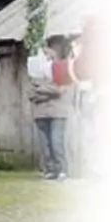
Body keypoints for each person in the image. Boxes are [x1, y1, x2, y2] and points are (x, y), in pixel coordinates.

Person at [28, 37, 73, 180]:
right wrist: (46, 91)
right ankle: (50, 169)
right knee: (45, 143)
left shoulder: (62, 67)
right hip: (40, 112)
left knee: (56, 140)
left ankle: (62, 169)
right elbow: (31, 91)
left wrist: (41, 90)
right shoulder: (37, 68)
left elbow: (59, 90)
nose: (47, 51)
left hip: (57, 111)